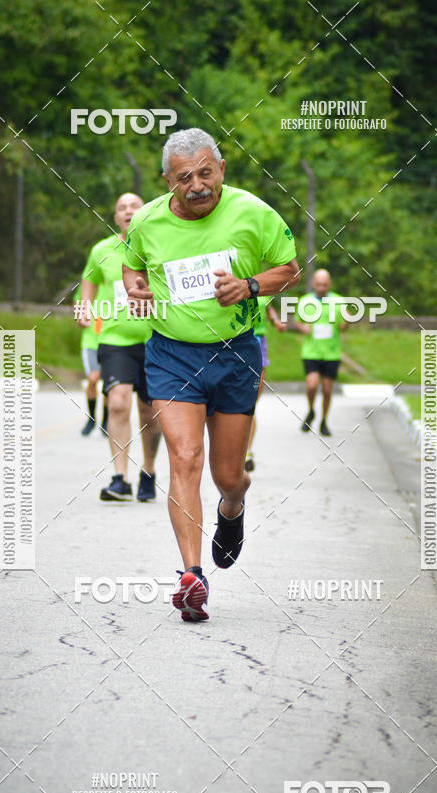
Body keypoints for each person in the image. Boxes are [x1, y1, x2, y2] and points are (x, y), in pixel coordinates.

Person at [122, 127, 300, 622]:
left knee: (228, 476)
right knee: (184, 457)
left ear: (221, 169)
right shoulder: (147, 220)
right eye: (185, 178)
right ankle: (192, 576)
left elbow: (289, 269)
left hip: (235, 354)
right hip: (172, 355)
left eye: (206, 173)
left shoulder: (253, 212)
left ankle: (232, 509)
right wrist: (135, 287)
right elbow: (131, 265)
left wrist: (249, 286)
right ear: (167, 181)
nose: (197, 185)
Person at [79, 192, 161, 502]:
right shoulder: (101, 250)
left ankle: (148, 472)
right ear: (115, 217)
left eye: (134, 206)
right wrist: (85, 308)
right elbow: (88, 280)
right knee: (117, 403)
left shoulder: (159, 246)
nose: (128, 211)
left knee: (150, 412)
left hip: (155, 339)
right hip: (115, 340)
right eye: (122, 208)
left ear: (145, 213)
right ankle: (120, 478)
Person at [294, 268, 348, 437]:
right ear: (313, 284)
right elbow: (297, 321)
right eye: (319, 284)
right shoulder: (305, 301)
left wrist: (348, 321)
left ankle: (324, 421)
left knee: (327, 390)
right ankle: (311, 410)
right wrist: (303, 328)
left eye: (324, 284)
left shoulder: (338, 301)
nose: (322, 288)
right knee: (311, 385)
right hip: (311, 352)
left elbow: (343, 327)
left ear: (329, 284)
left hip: (331, 353)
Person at [245, 297, 286, 472]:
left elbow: (268, 308)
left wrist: (276, 322)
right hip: (233, 343)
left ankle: (246, 452)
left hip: (257, 342)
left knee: (250, 404)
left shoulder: (261, 289)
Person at [76, 283, 107, 436]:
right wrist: (81, 319)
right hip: (91, 342)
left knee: (109, 383)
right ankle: (92, 418)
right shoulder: (87, 286)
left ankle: (106, 420)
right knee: (93, 378)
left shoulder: (112, 282)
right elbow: (78, 311)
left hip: (110, 340)